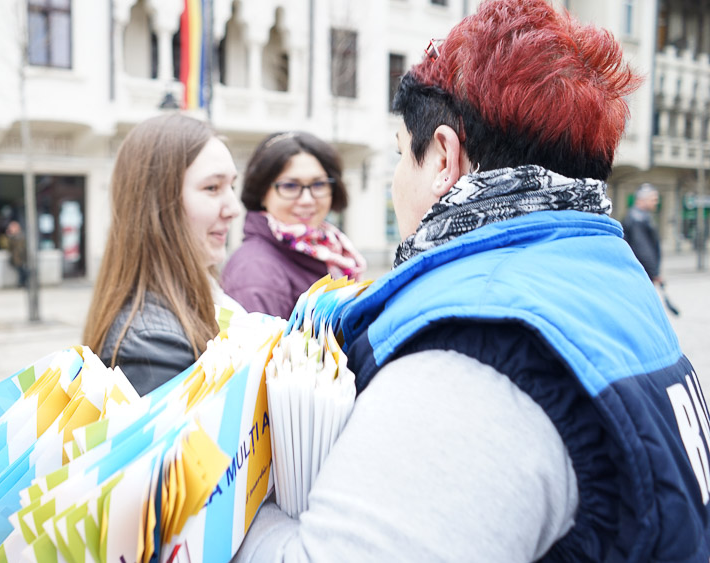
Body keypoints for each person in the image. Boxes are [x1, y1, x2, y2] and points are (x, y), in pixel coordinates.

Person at [236, 1, 707, 561]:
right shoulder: (607, 278)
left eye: (400, 156)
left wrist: (229, 505)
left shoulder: (477, 346)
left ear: (442, 157)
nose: (395, 182)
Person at [82, 113, 243, 396]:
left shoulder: (199, 299)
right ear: (157, 204)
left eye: (232, 186)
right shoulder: (151, 345)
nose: (234, 209)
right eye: (212, 188)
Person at [221, 131, 366, 318]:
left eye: (319, 185)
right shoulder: (255, 271)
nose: (307, 199)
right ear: (262, 193)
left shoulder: (328, 252)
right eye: (290, 186)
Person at [622, 183, 662, 284]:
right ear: (642, 200)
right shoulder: (637, 219)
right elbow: (642, 248)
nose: (656, 202)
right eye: (653, 199)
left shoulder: (641, 217)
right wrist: (654, 273)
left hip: (640, 271)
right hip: (641, 272)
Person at [5, 220, 28, 288]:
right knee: (20, 271)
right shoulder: (12, 237)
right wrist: (9, 236)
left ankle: (22, 283)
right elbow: (8, 247)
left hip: (21, 257)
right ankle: (21, 283)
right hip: (16, 258)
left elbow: (22, 248)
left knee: (22, 271)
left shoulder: (21, 236)